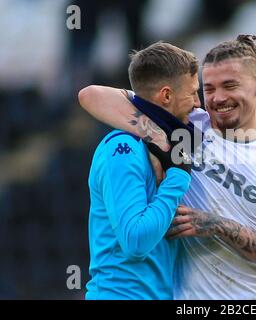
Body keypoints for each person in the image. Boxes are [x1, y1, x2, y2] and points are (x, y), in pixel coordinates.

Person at [79, 35, 256, 299]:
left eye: (229, 85)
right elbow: (91, 96)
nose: (217, 98)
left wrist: (218, 226)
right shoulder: (189, 129)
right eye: (208, 88)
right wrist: (158, 139)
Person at [78, 41, 201, 299]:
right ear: (167, 96)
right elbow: (135, 241)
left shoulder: (171, 142)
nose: (198, 103)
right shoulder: (123, 148)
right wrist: (178, 176)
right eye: (192, 93)